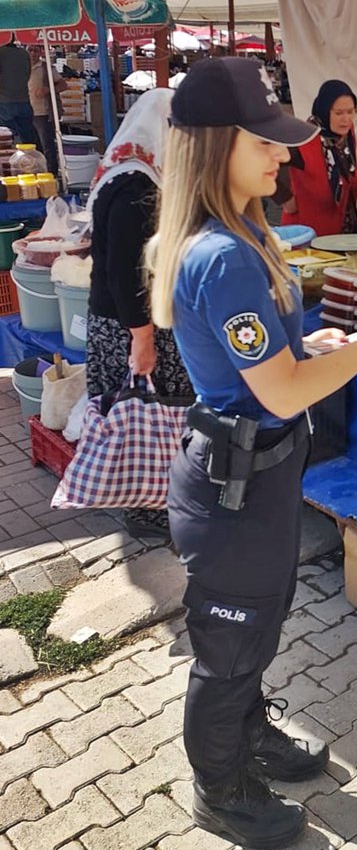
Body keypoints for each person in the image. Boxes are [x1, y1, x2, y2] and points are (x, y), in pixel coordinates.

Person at [148, 56, 357, 850]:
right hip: (234, 486)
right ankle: (221, 784)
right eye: (266, 143)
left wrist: (308, 341)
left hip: (262, 472)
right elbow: (277, 391)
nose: (284, 155)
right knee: (230, 643)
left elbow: (262, 364)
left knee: (260, 625)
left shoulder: (244, 230)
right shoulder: (225, 254)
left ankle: (249, 738)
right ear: (215, 147)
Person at [86, 88, 194, 538]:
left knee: (149, 415)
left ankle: (157, 500)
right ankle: (150, 512)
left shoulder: (136, 173)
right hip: (130, 324)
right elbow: (127, 273)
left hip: (134, 321)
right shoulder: (136, 187)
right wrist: (143, 340)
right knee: (146, 415)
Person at [282, 79, 357, 235]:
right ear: (325, 111)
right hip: (307, 236)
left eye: (351, 111)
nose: (346, 119)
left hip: (343, 231)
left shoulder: (346, 135)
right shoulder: (303, 138)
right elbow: (267, 159)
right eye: (339, 113)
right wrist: (285, 198)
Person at [26, 45, 61, 174]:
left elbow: (63, 85)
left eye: (35, 50)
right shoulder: (21, 67)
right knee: (31, 147)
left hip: (42, 113)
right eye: (30, 50)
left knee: (47, 146)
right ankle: (36, 173)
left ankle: (52, 174)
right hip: (26, 112)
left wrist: (47, 90)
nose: (33, 53)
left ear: (41, 52)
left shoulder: (47, 68)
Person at [0, 38, 37, 145]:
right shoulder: (24, 53)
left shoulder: (1, 53)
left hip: (4, 101)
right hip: (24, 100)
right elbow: (28, 74)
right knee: (27, 139)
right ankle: (30, 160)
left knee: (5, 140)